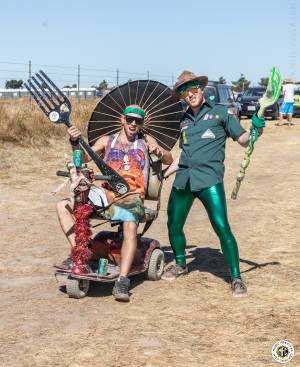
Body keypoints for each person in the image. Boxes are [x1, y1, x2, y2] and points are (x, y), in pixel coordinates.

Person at [161, 71, 265, 296]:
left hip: (210, 181)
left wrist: (256, 129)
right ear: (182, 97)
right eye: (184, 92)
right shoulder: (184, 120)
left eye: (193, 89)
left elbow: (244, 140)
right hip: (184, 181)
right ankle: (181, 263)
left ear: (201, 88)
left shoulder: (221, 113)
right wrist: (165, 173)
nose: (190, 95)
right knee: (173, 224)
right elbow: (184, 154)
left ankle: (236, 277)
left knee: (222, 227)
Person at [56, 104, 173, 301]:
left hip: (132, 196)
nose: (133, 123)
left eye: (138, 120)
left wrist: (159, 151)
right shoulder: (106, 140)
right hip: (105, 193)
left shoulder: (145, 140)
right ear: (122, 119)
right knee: (63, 206)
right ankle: (82, 254)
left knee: (129, 222)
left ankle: (122, 281)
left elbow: (169, 159)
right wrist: (75, 141)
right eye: (130, 119)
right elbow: (84, 158)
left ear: (142, 123)